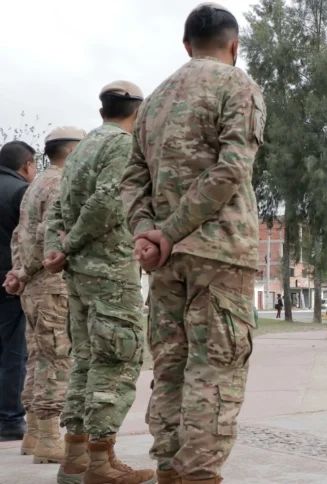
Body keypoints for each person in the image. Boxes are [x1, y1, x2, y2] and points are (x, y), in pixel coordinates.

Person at [119, 4, 266, 483]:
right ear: (234, 46)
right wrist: (170, 230)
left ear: (186, 45)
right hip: (219, 253)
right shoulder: (237, 85)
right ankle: (198, 477)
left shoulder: (154, 102)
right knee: (215, 374)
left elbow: (132, 180)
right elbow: (231, 170)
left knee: (171, 370)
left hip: (165, 261)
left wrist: (148, 232)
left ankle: (168, 472)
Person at [43, 81, 153, 483]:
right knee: (118, 359)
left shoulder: (80, 150)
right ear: (136, 111)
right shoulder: (122, 145)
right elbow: (109, 201)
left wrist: (56, 249)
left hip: (79, 275)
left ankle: (75, 457)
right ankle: (101, 462)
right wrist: (69, 244)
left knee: (86, 361)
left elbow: (55, 208)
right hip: (110, 271)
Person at [7, 127, 84, 462]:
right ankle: (49, 439)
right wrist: (26, 271)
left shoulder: (35, 184)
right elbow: (47, 235)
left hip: (35, 287)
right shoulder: (60, 184)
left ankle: (36, 433)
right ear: (72, 151)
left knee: (39, 357)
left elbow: (18, 235)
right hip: (52, 283)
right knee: (56, 359)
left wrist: (19, 271)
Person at [0, 141, 37, 442]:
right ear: (27, 164)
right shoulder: (20, 192)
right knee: (14, 351)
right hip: (9, 280)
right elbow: (28, 239)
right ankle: (10, 420)